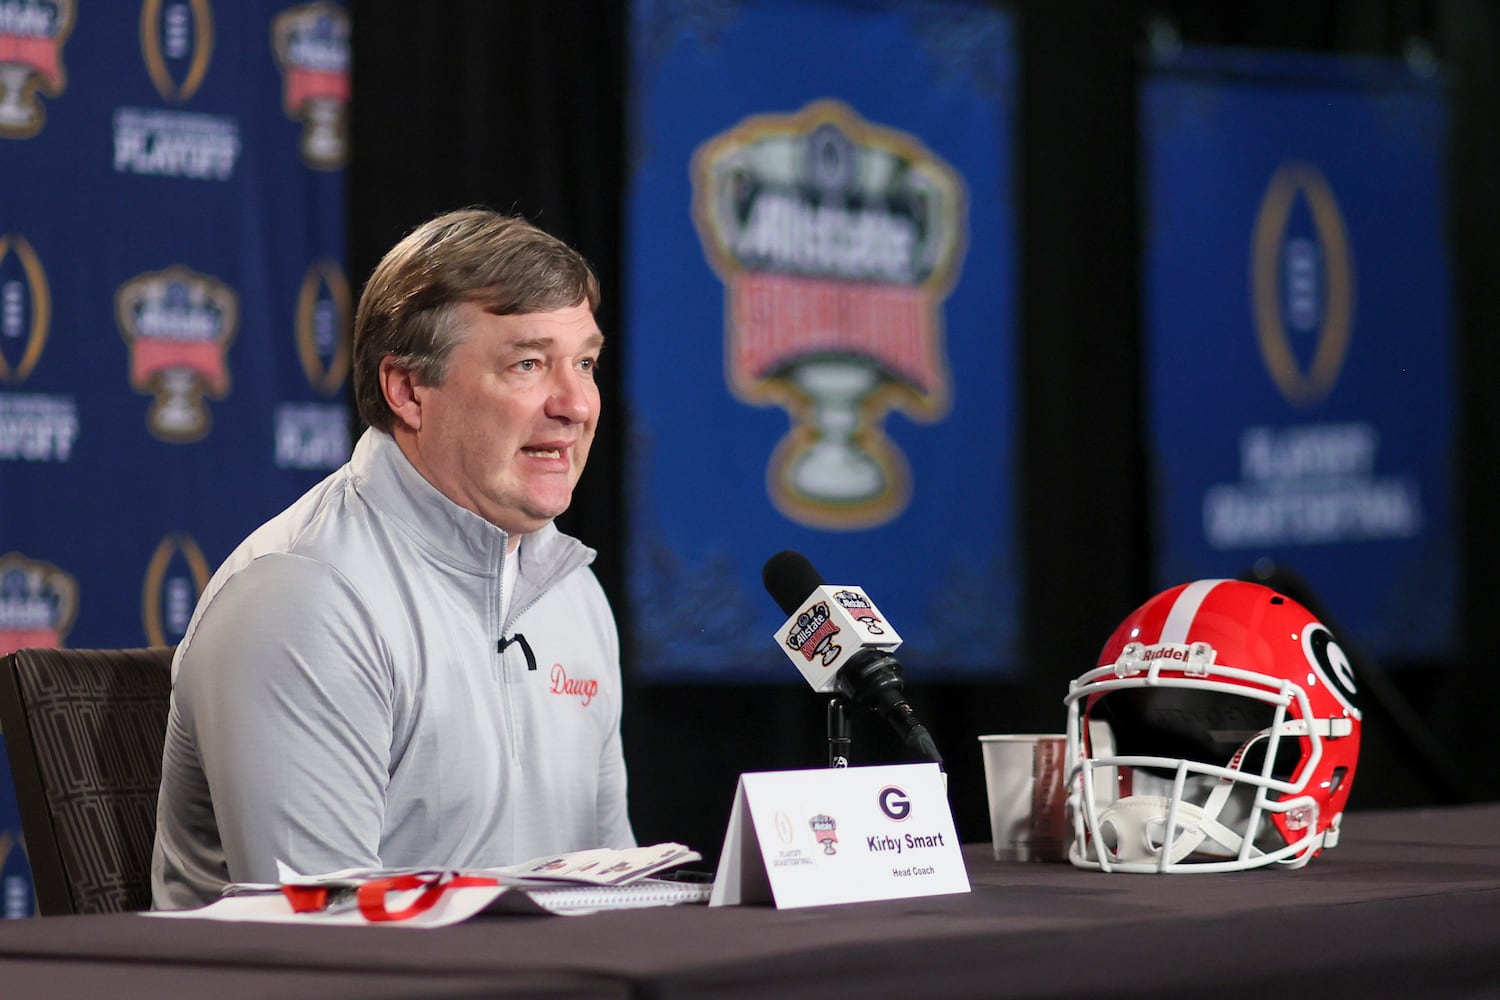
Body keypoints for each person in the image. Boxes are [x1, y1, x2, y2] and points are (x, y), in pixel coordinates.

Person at [151, 208, 635, 909]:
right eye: (528, 364)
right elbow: (327, 939)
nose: (576, 404)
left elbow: (616, 889)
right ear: (408, 390)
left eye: (584, 362)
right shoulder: (304, 596)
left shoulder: (572, 589)